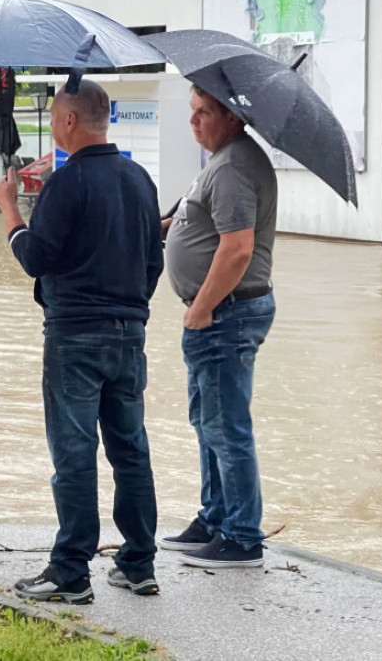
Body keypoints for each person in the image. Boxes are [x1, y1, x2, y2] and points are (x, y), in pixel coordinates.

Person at [0, 75, 164, 604]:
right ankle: (139, 563)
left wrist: (10, 211)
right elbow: (154, 261)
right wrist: (129, 307)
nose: (52, 129)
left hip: (74, 336)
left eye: (51, 120)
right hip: (129, 332)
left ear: (69, 120)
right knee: (131, 450)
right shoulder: (140, 179)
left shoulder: (65, 184)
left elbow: (36, 259)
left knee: (74, 454)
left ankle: (70, 571)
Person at [159, 85, 277, 568]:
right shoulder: (224, 160)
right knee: (208, 422)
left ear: (230, 117)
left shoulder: (231, 167)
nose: (193, 122)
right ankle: (215, 518)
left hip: (225, 315)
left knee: (227, 428)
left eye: (203, 113)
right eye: (192, 111)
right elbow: (206, 226)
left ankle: (242, 537)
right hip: (219, 314)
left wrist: (200, 309)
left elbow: (237, 249)